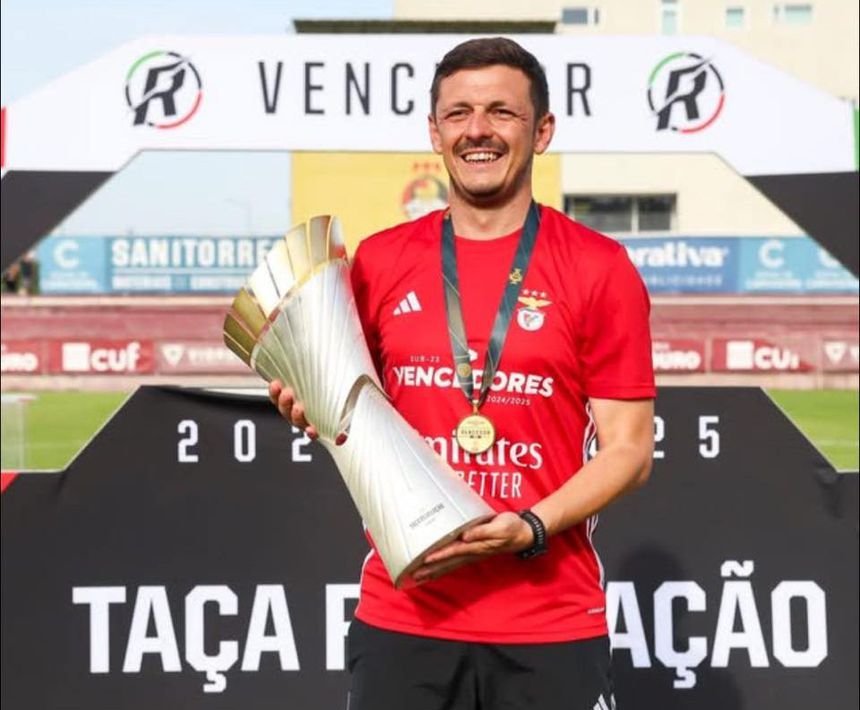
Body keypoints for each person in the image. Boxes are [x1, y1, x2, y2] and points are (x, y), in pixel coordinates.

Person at [270, 37, 655, 710]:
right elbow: (340, 406)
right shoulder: (379, 263)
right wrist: (307, 400)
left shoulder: (599, 267)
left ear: (542, 131)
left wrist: (532, 525)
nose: (478, 129)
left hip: (550, 623)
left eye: (502, 112)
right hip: (405, 620)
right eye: (459, 114)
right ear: (435, 132)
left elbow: (629, 449)